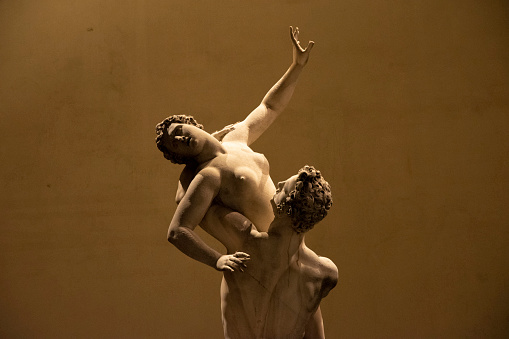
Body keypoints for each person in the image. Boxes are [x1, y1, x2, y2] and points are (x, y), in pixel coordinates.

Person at [155, 26, 314, 271]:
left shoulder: (236, 138)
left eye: (179, 131)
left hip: (293, 242)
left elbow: (270, 107)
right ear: (179, 156)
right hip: (266, 255)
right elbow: (177, 231)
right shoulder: (208, 176)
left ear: (192, 124)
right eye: (175, 145)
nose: (180, 139)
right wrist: (217, 259)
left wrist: (297, 66)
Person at [208, 165, 337, 339]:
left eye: (285, 187)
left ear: (286, 206)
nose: (279, 183)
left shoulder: (245, 239)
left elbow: (193, 202)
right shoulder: (324, 272)